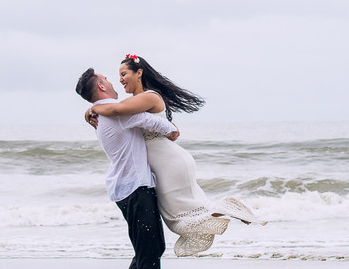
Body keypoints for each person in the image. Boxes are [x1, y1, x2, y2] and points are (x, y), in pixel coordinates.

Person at [85, 54, 262, 257]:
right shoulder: (135, 102)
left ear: (139, 73)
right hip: (164, 162)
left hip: (168, 162)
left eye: (124, 74)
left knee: (178, 217)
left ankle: (229, 208)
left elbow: (115, 109)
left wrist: (91, 108)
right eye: (119, 76)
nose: (120, 79)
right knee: (178, 216)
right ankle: (228, 208)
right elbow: (118, 112)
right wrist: (90, 112)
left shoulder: (148, 97)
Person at [76, 66, 175, 269]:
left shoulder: (104, 111)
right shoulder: (114, 111)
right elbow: (146, 120)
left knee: (152, 248)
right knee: (149, 251)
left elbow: (137, 118)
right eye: (106, 78)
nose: (111, 80)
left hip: (129, 188)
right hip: (135, 188)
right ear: (100, 87)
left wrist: (90, 110)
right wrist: (171, 129)